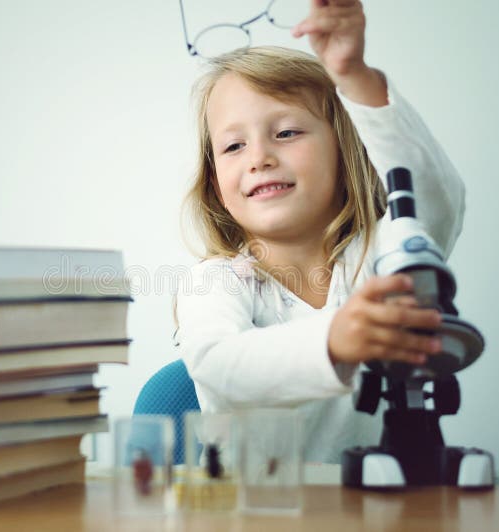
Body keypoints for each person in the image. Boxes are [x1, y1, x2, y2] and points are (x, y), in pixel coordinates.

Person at [175, 0, 465, 462]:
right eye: (233, 145)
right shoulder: (214, 281)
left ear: (342, 151)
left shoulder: (377, 261)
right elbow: (219, 367)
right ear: (216, 183)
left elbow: (431, 198)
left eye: (287, 132)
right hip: (254, 512)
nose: (259, 157)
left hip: (373, 506)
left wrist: (354, 75)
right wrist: (334, 340)